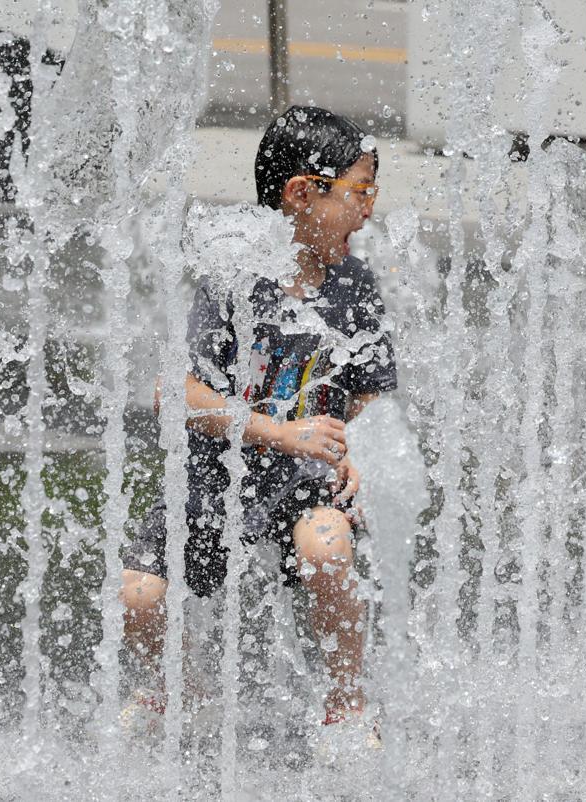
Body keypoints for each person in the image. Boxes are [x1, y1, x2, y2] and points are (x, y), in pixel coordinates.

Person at [119, 106, 397, 743]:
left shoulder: (354, 286)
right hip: (214, 480)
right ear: (301, 193)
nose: (368, 211)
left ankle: (348, 703)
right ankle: (179, 693)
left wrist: (355, 452)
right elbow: (176, 394)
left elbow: (368, 393)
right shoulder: (234, 281)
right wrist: (281, 433)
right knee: (136, 593)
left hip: (303, 484)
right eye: (359, 192)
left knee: (326, 545)